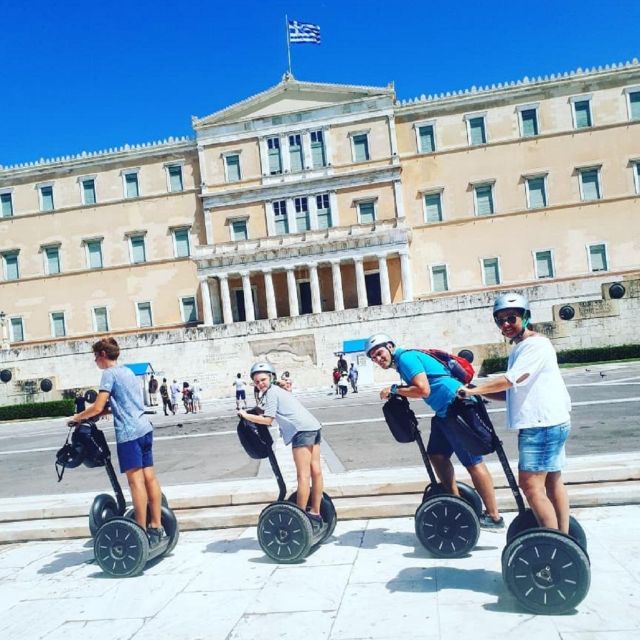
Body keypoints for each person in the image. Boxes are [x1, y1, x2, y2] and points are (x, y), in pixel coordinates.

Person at [458, 292, 572, 534]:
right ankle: (564, 537)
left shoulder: (535, 345)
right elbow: (513, 392)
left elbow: (511, 380)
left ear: (526, 317)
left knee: (531, 486)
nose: (506, 325)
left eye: (511, 318)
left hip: (541, 425)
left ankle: (554, 544)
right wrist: (478, 392)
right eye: (500, 321)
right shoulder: (523, 347)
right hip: (550, 421)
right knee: (552, 482)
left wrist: (473, 390)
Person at [366, 333, 504, 530]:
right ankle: (456, 502)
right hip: (444, 412)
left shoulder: (406, 358)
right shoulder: (404, 360)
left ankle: (494, 516)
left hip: (457, 406)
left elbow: (423, 390)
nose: (378, 359)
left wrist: (395, 389)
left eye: (379, 353)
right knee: (437, 455)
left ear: (389, 346)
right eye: (374, 358)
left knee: (473, 463)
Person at [70, 337, 164, 545]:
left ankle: (139, 530)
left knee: (135, 481)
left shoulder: (108, 374)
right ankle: (156, 525)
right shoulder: (128, 372)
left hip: (128, 433)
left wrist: (76, 418)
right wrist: (99, 413)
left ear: (103, 355)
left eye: (95, 356)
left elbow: (97, 406)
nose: (95, 361)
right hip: (144, 428)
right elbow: (121, 404)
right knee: (150, 478)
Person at [238, 362, 325, 530]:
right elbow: (266, 410)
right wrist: (252, 412)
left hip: (301, 431)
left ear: (271, 377)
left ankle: (300, 518)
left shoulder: (271, 392)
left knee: (303, 476)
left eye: (263, 379)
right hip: (313, 426)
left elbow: (267, 420)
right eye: (257, 382)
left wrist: (245, 416)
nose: (260, 384)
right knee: (316, 472)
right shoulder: (276, 390)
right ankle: (315, 512)